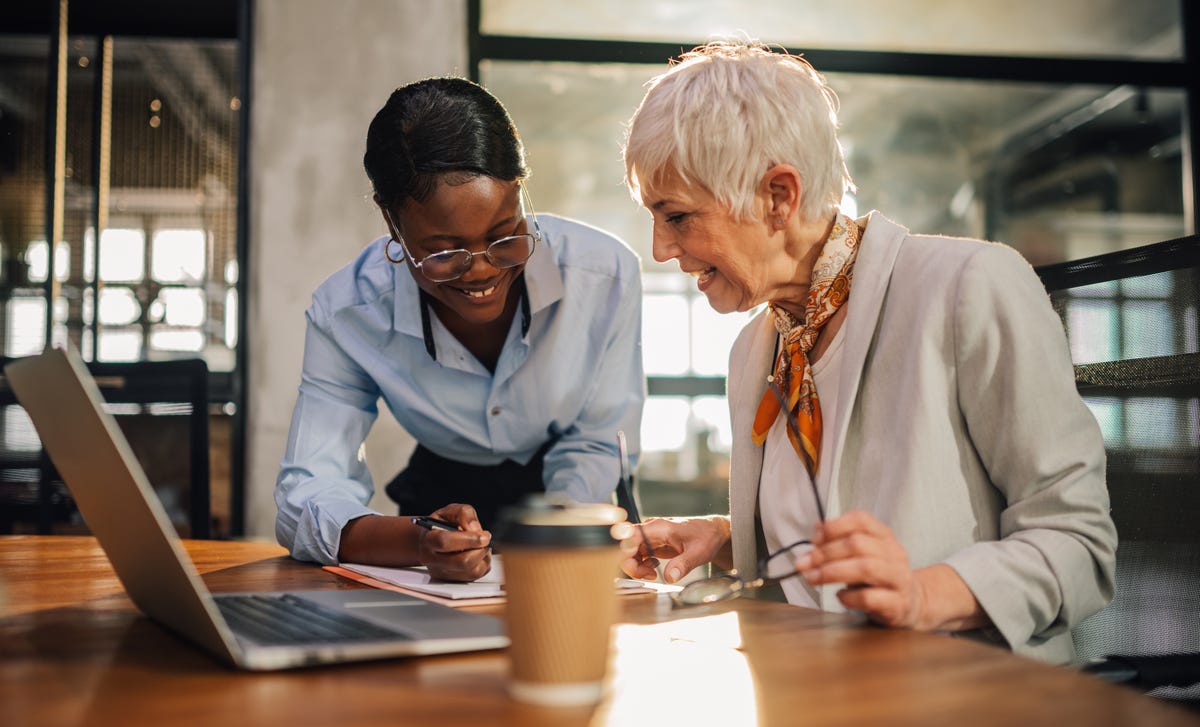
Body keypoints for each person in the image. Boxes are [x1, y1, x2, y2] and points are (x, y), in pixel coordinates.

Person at [618, 41, 1116, 663]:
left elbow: (1079, 542)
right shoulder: (756, 346)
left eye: (678, 216)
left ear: (778, 196)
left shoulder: (969, 286)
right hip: (813, 687)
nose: (661, 248)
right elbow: (823, 536)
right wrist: (725, 538)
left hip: (964, 693)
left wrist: (919, 595)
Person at [275, 77, 644, 581]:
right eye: (445, 252)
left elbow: (597, 441)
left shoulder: (605, 275)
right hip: (435, 502)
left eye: (505, 237)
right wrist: (416, 540)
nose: (481, 272)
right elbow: (305, 497)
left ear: (522, 192)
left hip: (570, 502)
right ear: (392, 222)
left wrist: (555, 533)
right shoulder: (348, 313)